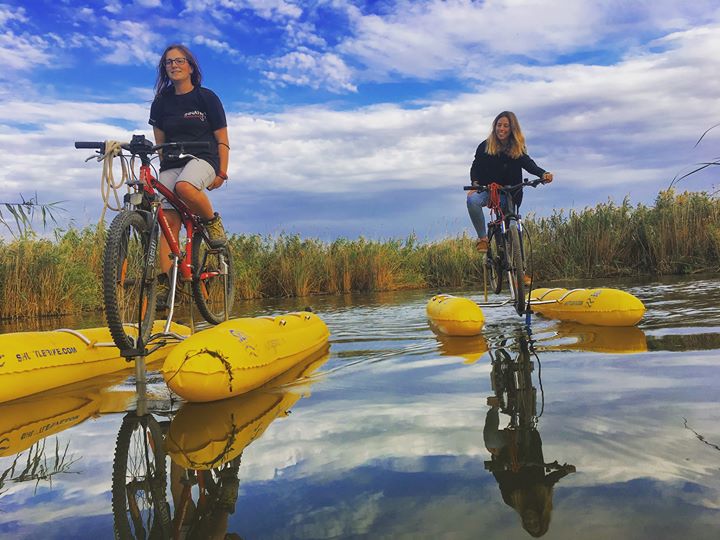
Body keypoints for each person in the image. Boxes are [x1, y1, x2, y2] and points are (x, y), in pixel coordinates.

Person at [149, 43, 229, 290]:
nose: (174, 65)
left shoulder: (206, 97)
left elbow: (222, 139)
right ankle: (165, 288)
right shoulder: (161, 102)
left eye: (179, 60)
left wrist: (222, 172)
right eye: (169, 62)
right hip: (172, 162)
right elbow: (159, 141)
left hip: (204, 159)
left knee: (185, 186)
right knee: (167, 223)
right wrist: (163, 175)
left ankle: (211, 221)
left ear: (191, 66)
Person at [467, 111, 553, 252]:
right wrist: (475, 184)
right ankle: (483, 239)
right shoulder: (485, 146)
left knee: (513, 225)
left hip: (511, 194)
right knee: (472, 200)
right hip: (490, 191)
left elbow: (528, 163)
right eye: (499, 125)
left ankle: (519, 269)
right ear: (495, 127)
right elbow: (475, 167)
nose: (502, 129)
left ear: (512, 128)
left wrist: (543, 174)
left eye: (506, 126)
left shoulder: (517, 147)